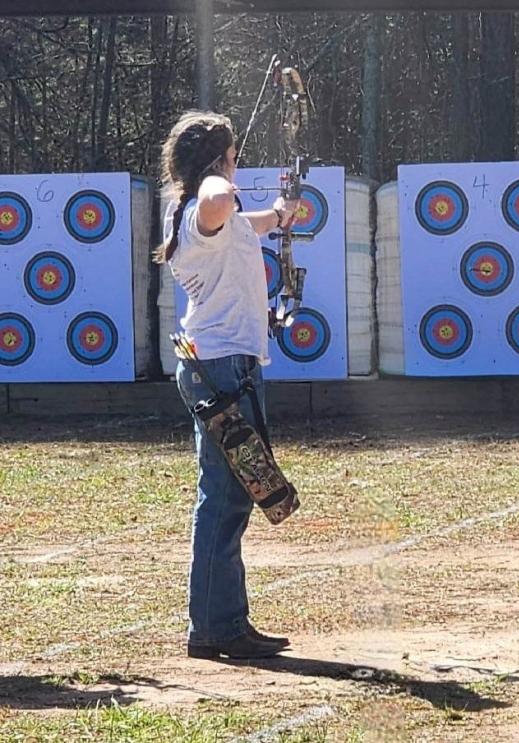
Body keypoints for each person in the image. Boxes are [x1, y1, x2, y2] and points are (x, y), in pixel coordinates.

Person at [154, 111, 299, 660]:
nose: (237, 171)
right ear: (216, 163)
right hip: (221, 369)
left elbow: (243, 222)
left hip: (223, 365)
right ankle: (214, 626)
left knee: (233, 493)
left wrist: (278, 215)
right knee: (224, 497)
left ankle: (224, 620)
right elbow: (217, 203)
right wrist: (221, 178)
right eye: (233, 158)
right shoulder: (199, 211)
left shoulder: (215, 220)